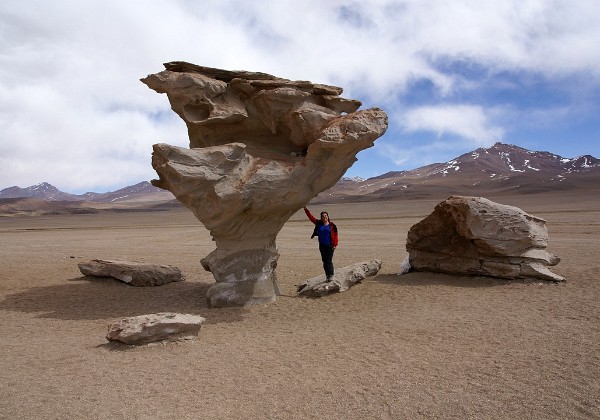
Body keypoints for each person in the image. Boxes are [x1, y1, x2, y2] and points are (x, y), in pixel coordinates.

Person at [303, 206, 338, 281]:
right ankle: (327, 275)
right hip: (322, 246)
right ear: (321, 218)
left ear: (328, 217)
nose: (324, 217)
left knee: (328, 260)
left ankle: (331, 275)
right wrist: (306, 210)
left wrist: (335, 245)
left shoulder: (332, 225)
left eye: (325, 216)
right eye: (323, 216)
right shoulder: (319, 224)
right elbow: (311, 218)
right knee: (324, 261)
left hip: (329, 246)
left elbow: (335, 235)